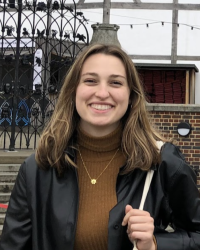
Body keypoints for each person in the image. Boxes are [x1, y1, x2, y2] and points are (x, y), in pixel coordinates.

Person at [0, 44, 200, 250]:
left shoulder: (162, 162)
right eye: (90, 81)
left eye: (115, 82)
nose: (102, 93)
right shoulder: (37, 168)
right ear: (73, 91)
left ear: (131, 96)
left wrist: (155, 245)